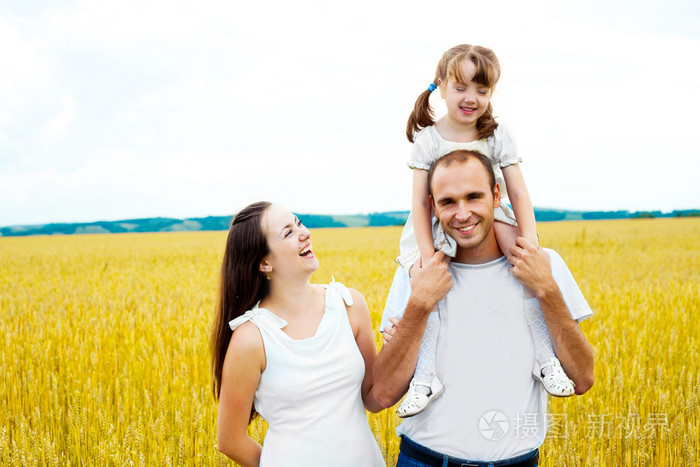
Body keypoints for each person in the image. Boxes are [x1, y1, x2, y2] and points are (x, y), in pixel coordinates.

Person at [374, 150, 594, 466]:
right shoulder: (416, 273)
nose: (462, 213)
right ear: (434, 207)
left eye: (473, 197)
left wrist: (546, 289)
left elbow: (583, 377)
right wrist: (420, 304)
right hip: (424, 460)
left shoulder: (544, 264)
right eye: (448, 202)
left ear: (496, 196)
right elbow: (382, 394)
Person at [392, 44, 574, 419]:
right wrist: (427, 256)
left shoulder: (497, 134)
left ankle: (545, 358)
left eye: (482, 90)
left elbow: (518, 191)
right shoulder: (428, 138)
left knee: (526, 267)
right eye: (461, 88)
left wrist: (530, 241)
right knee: (427, 291)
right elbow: (420, 204)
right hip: (434, 226)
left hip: (492, 218)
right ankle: (424, 377)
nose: (471, 98)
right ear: (440, 86)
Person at [210, 202, 385, 467]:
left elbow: (373, 398)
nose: (304, 233)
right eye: (288, 232)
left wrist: (404, 340)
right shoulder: (252, 338)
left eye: (298, 222)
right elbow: (229, 440)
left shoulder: (350, 305)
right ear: (265, 263)